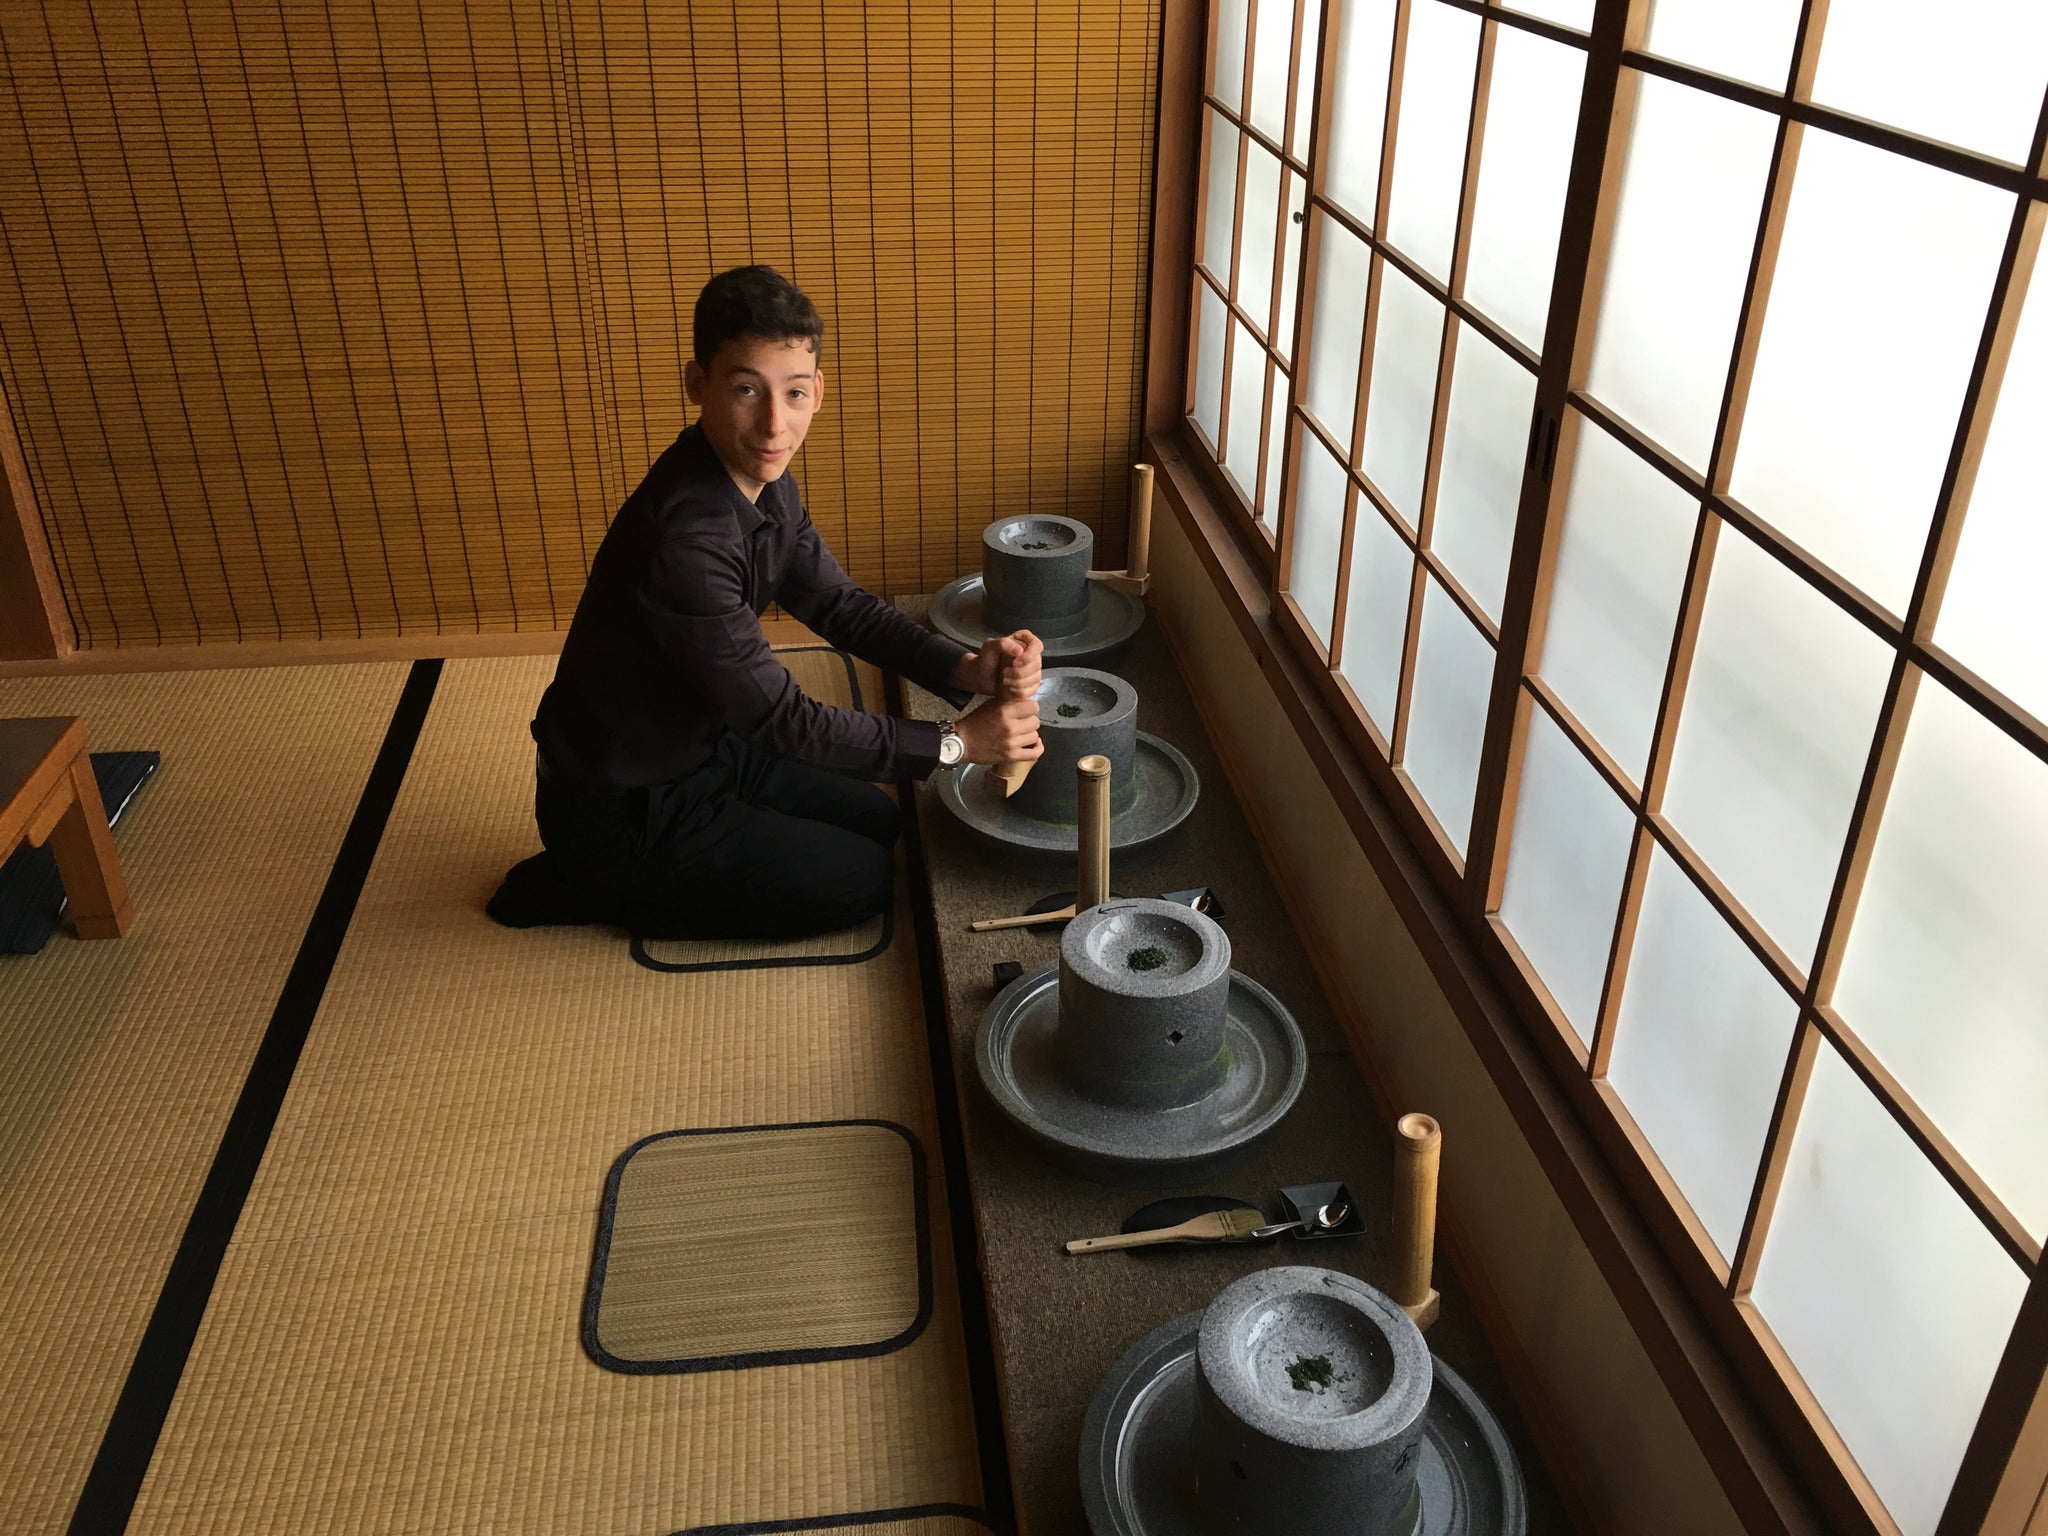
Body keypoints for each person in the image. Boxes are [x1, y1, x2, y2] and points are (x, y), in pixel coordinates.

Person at [488, 264, 1042, 939]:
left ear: (818, 392)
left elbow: (840, 605)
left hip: (706, 748)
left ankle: (653, 865)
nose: (775, 423)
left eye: (795, 392)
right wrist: (956, 745)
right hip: (625, 803)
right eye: (747, 389)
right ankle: (595, 883)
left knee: (879, 821)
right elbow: (783, 719)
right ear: (699, 384)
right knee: (858, 884)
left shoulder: (761, 477)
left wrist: (965, 670)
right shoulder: (685, 544)